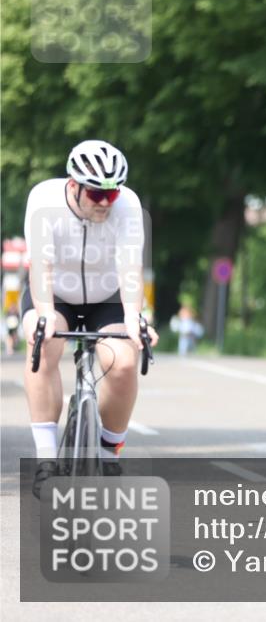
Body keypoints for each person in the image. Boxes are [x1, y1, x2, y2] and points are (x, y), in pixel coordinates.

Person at [21, 140, 159, 497]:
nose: (105, 202)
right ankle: (46, 460)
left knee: (124, 362)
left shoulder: (127, 205)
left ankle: (109, 455)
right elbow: (41, 268)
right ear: (73, 185)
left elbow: (130, 268)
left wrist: (134, 319)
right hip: (55, 292)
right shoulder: (44, 200)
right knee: (43, 345)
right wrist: (45, 315)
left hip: (107, 296)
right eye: (97, 194)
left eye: (112, 194)